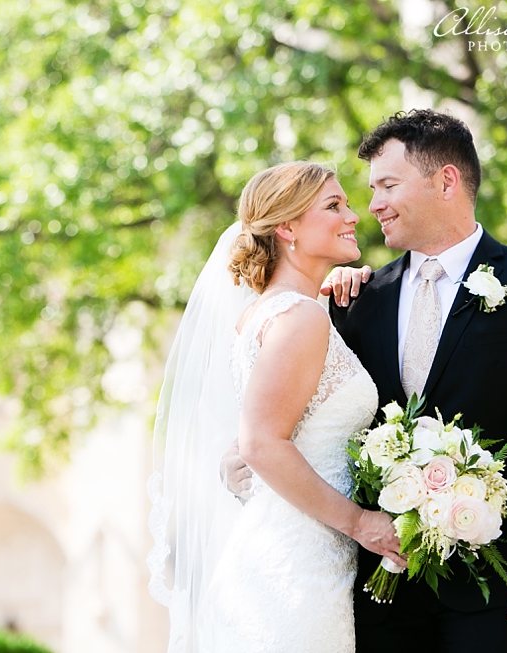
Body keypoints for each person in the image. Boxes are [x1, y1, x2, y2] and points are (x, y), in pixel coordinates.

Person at [224, 109, 507, 652]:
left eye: (387, 185)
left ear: (445, 180)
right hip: (375, 591)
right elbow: (286, 413)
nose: (372, 205)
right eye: (364, 192)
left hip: (497, 588)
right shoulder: (352, 301)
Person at [147, 161, 405, 653]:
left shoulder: (273, 311)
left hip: (288, 556)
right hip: (294, 572)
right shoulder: (299, 318)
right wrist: (360, 522)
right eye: (334, 206)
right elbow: (262, 442)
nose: (354, 215)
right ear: (287, 228)